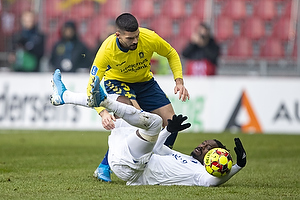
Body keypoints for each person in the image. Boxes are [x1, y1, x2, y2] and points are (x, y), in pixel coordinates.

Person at [52, 13, 190, 182]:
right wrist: (103, 112)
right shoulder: (107, 50)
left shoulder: (149, 37)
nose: (135, 41)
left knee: (171, 122)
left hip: (145, 82)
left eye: (137, 36)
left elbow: (171, 53)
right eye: (130, 38)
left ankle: (162, 161)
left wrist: (179, 81)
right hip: (117, 81)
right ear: (118, 35)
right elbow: (92, 86)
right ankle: (104, 166)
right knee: (134, 115)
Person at [86, 75, 246, 186]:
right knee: (125, 103)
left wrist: (237, 166)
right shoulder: (185, 158)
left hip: (133, 167)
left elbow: (211, 182)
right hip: (130, 158)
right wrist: (168, 130)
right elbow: (157, 148)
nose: (203, 146)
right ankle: (70, 97)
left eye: (208, 149)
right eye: (205, 143)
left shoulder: (199, 173)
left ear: (212, 160)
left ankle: (102, 102)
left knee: (152, 122)